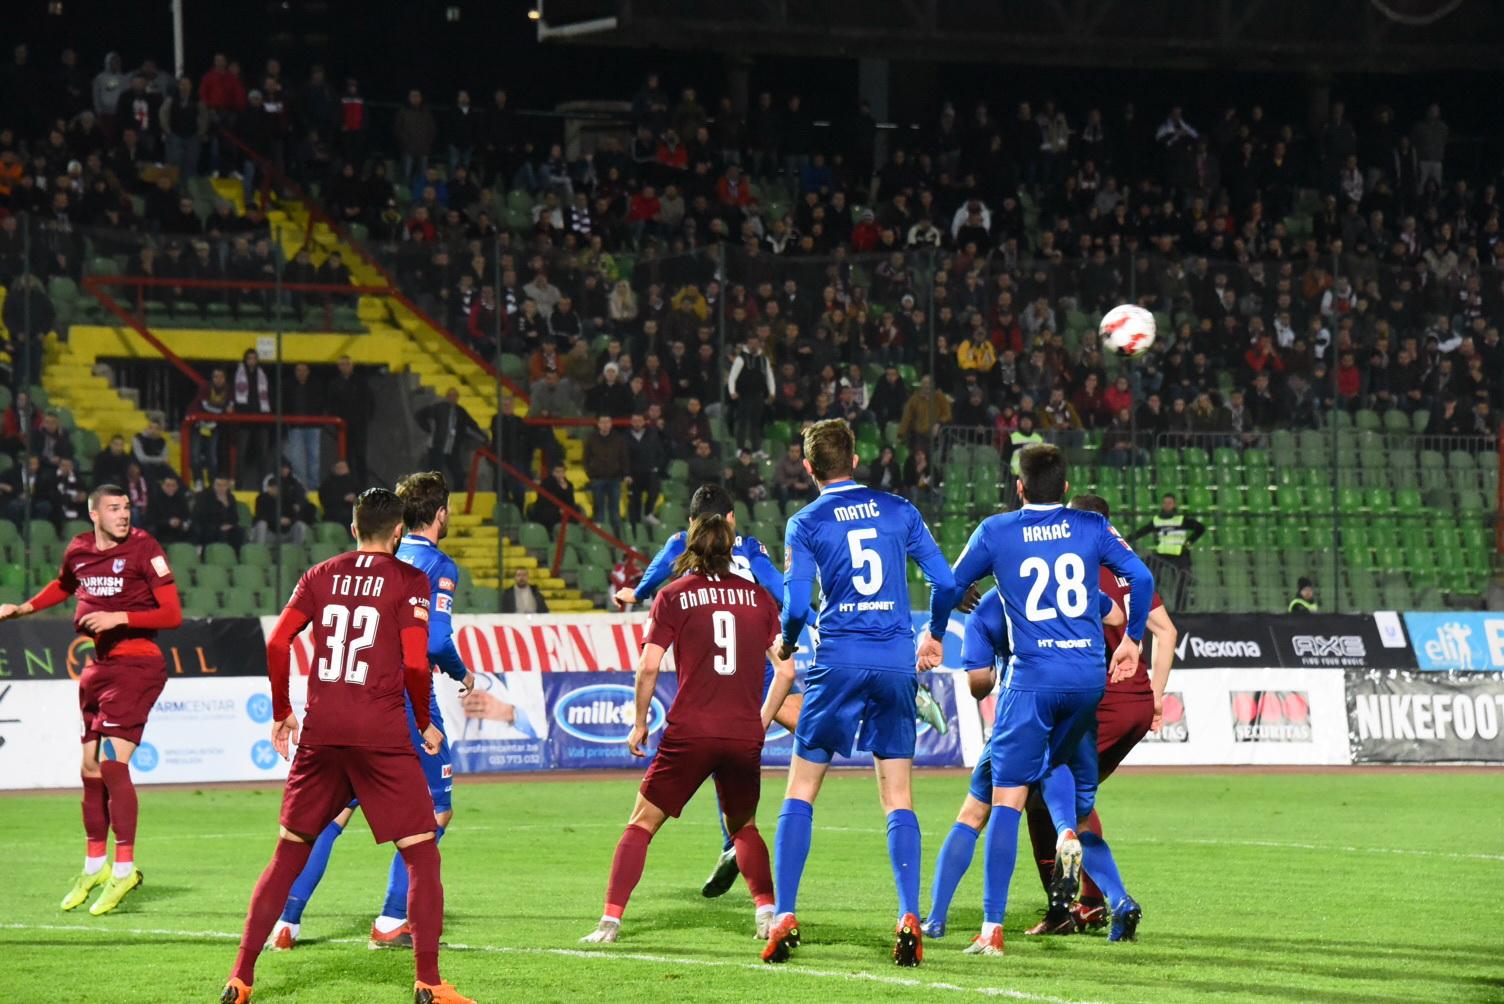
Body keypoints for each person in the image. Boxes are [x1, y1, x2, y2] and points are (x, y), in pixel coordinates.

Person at [219, 488, 473, 1004]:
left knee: (289, 850)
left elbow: (277, 642)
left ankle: (241, 977)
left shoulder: (320, 574)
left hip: (320, 733)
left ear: (353, 529)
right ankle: (428, 982)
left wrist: (280, 711)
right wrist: (423, 722)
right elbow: (418, 663)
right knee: (422, 854)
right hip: (380, 734)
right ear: (398, 532)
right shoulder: (410, 579)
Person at [920, 445, 1153, 955]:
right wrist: (1133, 640)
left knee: (999, 803)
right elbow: (1139, 582)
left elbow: (948, 583)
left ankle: (988, 928)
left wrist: (935, 632)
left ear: (1019, 488)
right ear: (1066, 488)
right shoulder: (1088, 527)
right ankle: (1072, 834)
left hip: (1030, 685)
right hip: (1087, 682)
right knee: (1065, 780)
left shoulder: (997, 534)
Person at [762, 419, 956, 968]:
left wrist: (786, 641)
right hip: (895, 662)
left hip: (839, 661)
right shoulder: (899, 509)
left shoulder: (805, 522)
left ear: (808, 468)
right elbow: (945, 582)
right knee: (898, 797)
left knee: (801, 789)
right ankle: (907, 914)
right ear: (855, 457)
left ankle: (785, 915)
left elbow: (798, 606)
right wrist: (935, 634)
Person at [579, 511, 795, 945]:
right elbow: (786, 674)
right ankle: (767, 916)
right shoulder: (759, 598)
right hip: (741, 734)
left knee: (640, 824)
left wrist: (639, 724)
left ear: (692, 546)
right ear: (732, 548)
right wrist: (760, 722)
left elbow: (648, 667)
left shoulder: (674, 595)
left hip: (690, 732)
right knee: (744, 828)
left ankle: (610, 922)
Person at [0, 484, 182, 916]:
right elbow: (63, 585)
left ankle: (124, 871)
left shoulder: (145, 549)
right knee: (89, 769)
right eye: (114, 508)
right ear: (94, 514)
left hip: (138, 663)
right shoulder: (79, 549)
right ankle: (94, 867)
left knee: (114, 763)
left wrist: (120, 616)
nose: (124, 514)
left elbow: (173, 614)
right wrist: (23, 608)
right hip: (98, 667)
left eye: (127, 507)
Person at [613, 483, 802, 896]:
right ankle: (740, 850)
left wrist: (636, 592)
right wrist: (797, 621)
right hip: (755, 653)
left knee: (718, 747)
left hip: (708, 672)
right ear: (731, 519)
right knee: (798, 726)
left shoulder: (682, 544)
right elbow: (782, 588)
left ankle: (731, 844)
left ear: (692, 524)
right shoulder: (750, 548)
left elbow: (661, 568)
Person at [921, 582, 1125, 939]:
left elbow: (978, 684)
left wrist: (994, 662)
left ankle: (950, 920)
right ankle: (1118, 897)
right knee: (1079, 819)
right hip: (1078, 705)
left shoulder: (988, 607)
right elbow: (1116, 615)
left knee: (979, 813)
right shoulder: (1067, 587)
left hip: (1024, 712)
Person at [1127, 493, 1206, 610]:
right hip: (1162, 555)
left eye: (1169, 503)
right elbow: (1143, 531)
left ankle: (1180, 610)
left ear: (1174, 504)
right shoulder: (1158, 520)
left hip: (1179, 554)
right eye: (1165, 503)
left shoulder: (1181, 519)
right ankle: (1155, 604)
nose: (1167, 505)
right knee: (1147, 571)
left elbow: (1200, 528)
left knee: (1182, 581)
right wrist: (1126, 539)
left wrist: (1188, 542)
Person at [584, 415, 628, 540]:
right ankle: (599, 539)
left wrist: (624, 473)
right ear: (598, 424)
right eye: (602, 422)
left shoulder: (618, 439)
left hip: (614, 478)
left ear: (611, 423)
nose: (605, 424)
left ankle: (618, 539)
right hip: (597, 478)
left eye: (607, 422)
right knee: (599, 511)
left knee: (615, 512)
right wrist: (591, 474)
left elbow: (623, 457)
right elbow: (586, 459)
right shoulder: (591, 439)